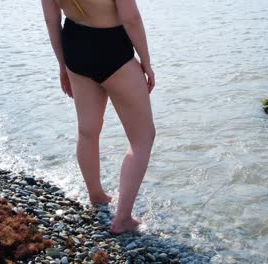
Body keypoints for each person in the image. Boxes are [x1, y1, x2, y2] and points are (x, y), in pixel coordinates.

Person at [41, 0, 156, 234]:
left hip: (74, 46)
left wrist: (63, 66)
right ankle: (122, 218)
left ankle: (97, 196)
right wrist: (146, 62)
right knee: (143, 138)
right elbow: (131, 17)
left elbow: (51, 21)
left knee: (87, 130)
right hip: (113, 49)